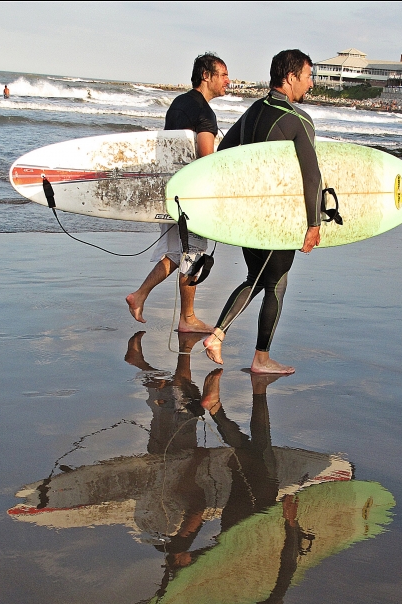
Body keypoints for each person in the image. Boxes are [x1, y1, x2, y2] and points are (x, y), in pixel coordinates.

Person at [203, 49, 322, 374]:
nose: (310, 83)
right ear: (291, 77)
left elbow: (224, 154)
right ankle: (257, 356)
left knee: (257, 277)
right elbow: (312, 176)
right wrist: (314, 223)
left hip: (247, 215)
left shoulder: (253, 111)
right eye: (308, 76)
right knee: (276, 283)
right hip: (277, 219)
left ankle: (221, 337)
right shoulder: (298, 120)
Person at [126, 53, 230, 333]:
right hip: (190, 196)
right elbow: (205, 158)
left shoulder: (178, 104)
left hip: (169, 190)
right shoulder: (205, 113)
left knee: (177, 254)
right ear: (206, 76)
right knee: (193, 253)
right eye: (222, 75)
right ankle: (188, 318)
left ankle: (139, 295)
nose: (228, 81)